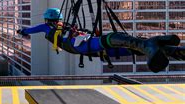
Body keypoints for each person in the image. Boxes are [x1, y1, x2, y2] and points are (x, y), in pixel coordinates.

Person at [17, 8, 184, 73]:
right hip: (81, 45)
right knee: (114, 39)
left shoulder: (53, 27)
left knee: (123, 46)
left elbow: (32, 30)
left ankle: (169, 50)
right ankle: (153, 45)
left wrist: (22, 31)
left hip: (82, 46)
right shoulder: (55, 28)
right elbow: (33, 30)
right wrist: (23, 31)